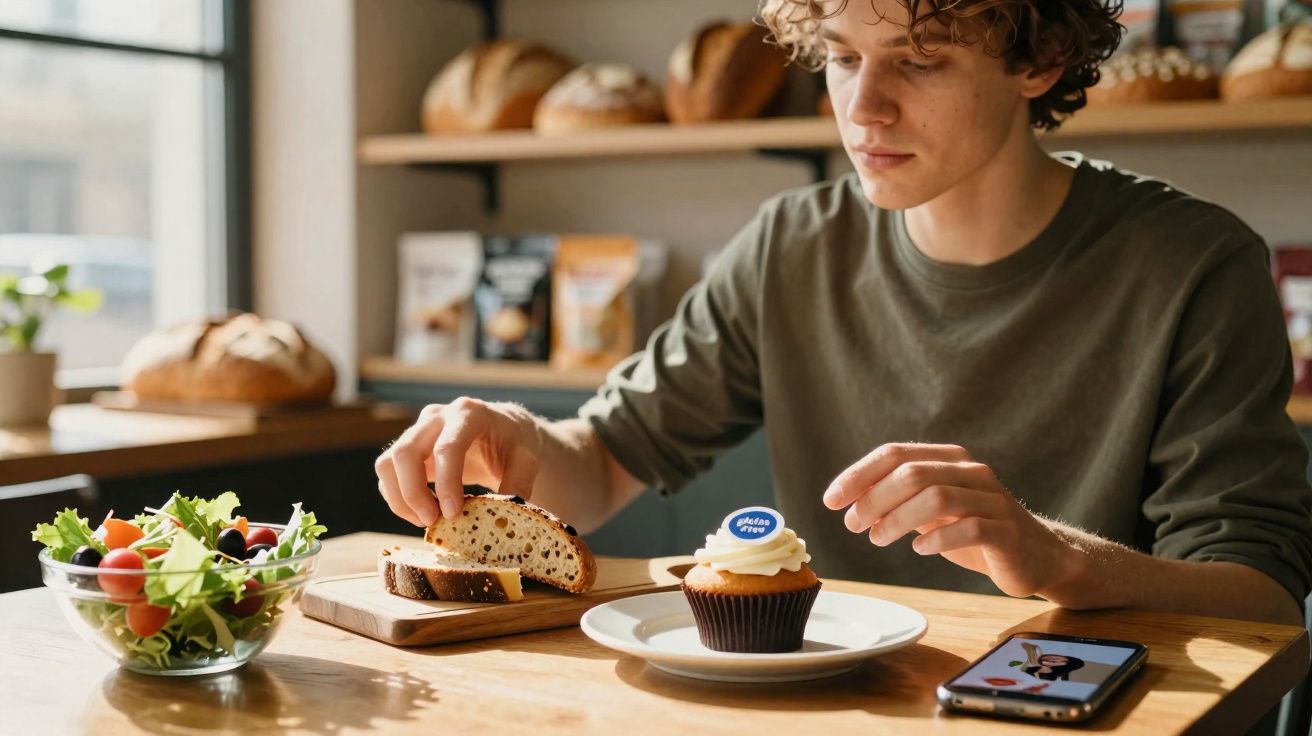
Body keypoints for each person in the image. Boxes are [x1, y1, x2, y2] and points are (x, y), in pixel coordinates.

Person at [375, 0, 1312, 625]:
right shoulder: (791, 244)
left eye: (919, 60)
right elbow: (601, 465)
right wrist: (517, 440)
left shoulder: (1194, 263)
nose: (864, 108)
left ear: (1043, 58)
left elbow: (1262, 598)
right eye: (841, 57)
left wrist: (1051, 555)